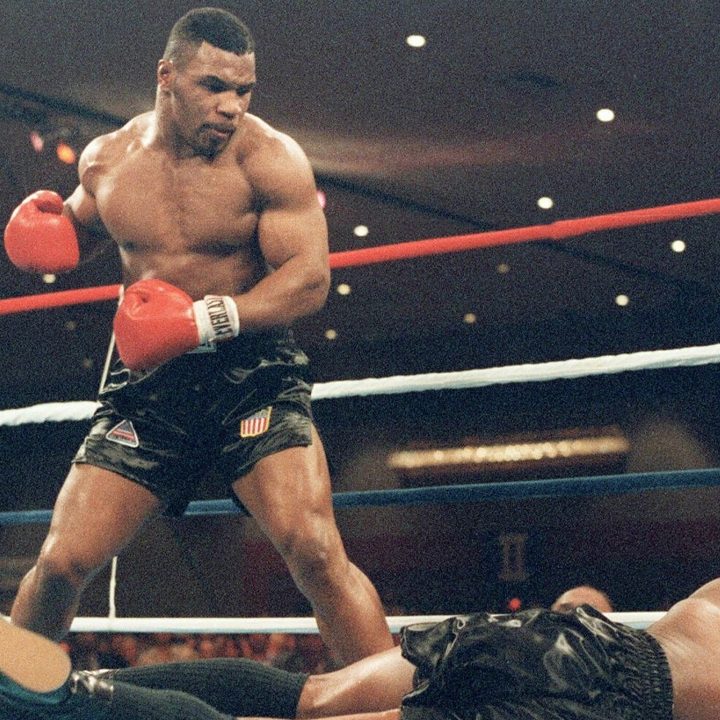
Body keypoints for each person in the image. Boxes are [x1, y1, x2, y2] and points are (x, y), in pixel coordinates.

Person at [3, 6, 392, 665]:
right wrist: (51, 234)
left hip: (251, 376)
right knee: (62, 561)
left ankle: (395, 702)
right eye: (214, 86)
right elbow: (85, 229)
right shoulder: (107, 160)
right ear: (167, 77)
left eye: (243, 90)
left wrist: (203, 319)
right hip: (151, 389)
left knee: (315, 551)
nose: (231, 106)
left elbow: (308, 280)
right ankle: (14, 694)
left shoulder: (270, 160)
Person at [11, 575, 720, 719]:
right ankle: (64, 699)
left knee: (312, 695)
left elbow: (586, 602)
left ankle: (40, 678)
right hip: (607, 701)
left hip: (569, 638)